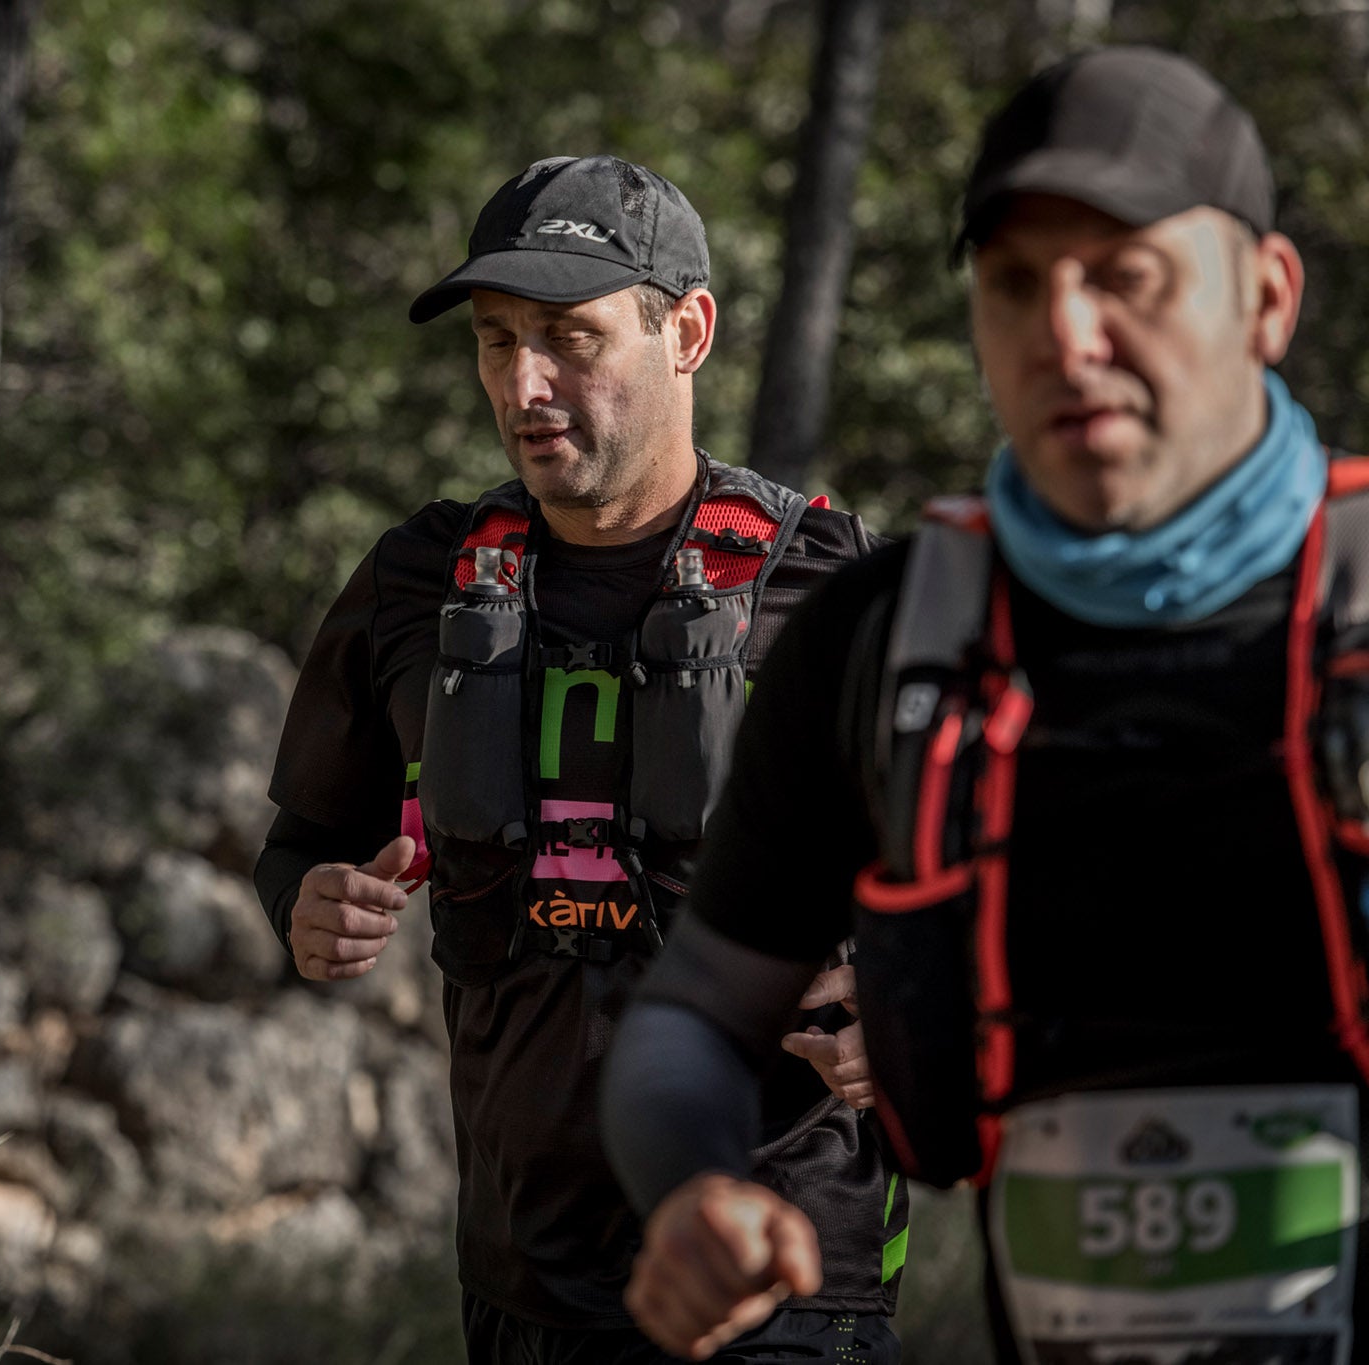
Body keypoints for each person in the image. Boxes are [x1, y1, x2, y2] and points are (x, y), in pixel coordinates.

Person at [601, 46, 1369, 1365]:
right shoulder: (890, 639)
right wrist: (693, 1187)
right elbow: (693, 1014)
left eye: (1127, 276)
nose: (1064, 333)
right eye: (1015, 282)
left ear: (1268, 297)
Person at [255, 154, 904, 1364]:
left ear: (686, 331)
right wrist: (305, 902)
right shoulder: (417, 581)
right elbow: (301, 844)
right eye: (496, 342)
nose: (525, 383)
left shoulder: (839, 590)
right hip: (522, 1284)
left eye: (570, 336)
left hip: (782, 1283)